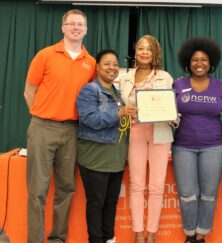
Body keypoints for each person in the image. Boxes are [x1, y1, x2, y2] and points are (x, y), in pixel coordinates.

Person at [23, 9, 96, 243]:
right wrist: (43, 115)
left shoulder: (91, 63)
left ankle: (58, 239)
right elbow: (29, 91)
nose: (76, 27)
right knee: (37, 191)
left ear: (85, 30)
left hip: (72, 131)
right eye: (71, 23)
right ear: (63, 27)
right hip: (42, 128)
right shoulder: (45, 55)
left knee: (66, 189)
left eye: (80, 24)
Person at [76, 49, 137, 243]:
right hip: (95, 158)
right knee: (96, 203)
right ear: (97, 67)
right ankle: (95, 239)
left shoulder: (116, 92)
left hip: (116, 159)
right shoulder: (89, 90)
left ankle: (108, 238)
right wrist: (119, 114)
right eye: (107, 63)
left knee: (111, 203)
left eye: (115, 64)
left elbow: (121, 126)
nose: (112, 67)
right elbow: (90, 119)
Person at [172, 36, 222, 243]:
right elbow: (168, 113)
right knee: (187, 194)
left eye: (204, 59)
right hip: (183, 147)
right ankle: (189, 234)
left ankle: (201, 234)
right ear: (188, 62)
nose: (199, 63)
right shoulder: (177, 84)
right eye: (195, 59)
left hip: (214, 146)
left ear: (211, 62)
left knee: (209, 194)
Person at [119, 35, 174, 243]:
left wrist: (172, 115)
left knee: (157, 186)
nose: (144, 52)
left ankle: (152, 233)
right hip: (135, 132)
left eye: (148, 49)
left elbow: (171, 106)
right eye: (140, 48)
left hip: (160, 133)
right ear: (135, 52)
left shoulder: (165, 77)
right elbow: (117, 105)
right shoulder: (124, 77)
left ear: (155, 53)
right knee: (136, 185)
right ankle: (138, 233)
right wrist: (125, 109)